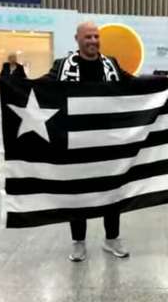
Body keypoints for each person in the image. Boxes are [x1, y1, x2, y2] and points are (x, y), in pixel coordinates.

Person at [44, 21, 134, 262]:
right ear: (77, 39)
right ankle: (78, 242)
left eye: (96, 37)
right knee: (77, 192)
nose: (93, 41)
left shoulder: (111, 64)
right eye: (88, 37)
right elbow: (40, 86)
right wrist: (4, 84)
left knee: (112, 190)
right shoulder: (62, 66)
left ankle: (111, 238)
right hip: (77, 140)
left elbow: (133, 83)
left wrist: (167, 81)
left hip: (108, 140)